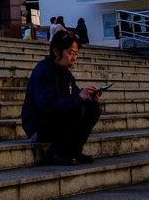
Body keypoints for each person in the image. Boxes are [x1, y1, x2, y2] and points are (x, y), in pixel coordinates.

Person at [21, 30, 102, 166]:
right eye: (70, 53)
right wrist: (78, 98)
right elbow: (46, 106)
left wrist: (87, 97)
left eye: (76, 54)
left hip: (57, 120)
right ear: (57, 51)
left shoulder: (66, 75)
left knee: (92, 108)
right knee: (75, 108)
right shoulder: (43, 71)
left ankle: (75, 151)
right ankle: (55, 153)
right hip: (38, 125)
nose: (74, 58)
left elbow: (76, 97)